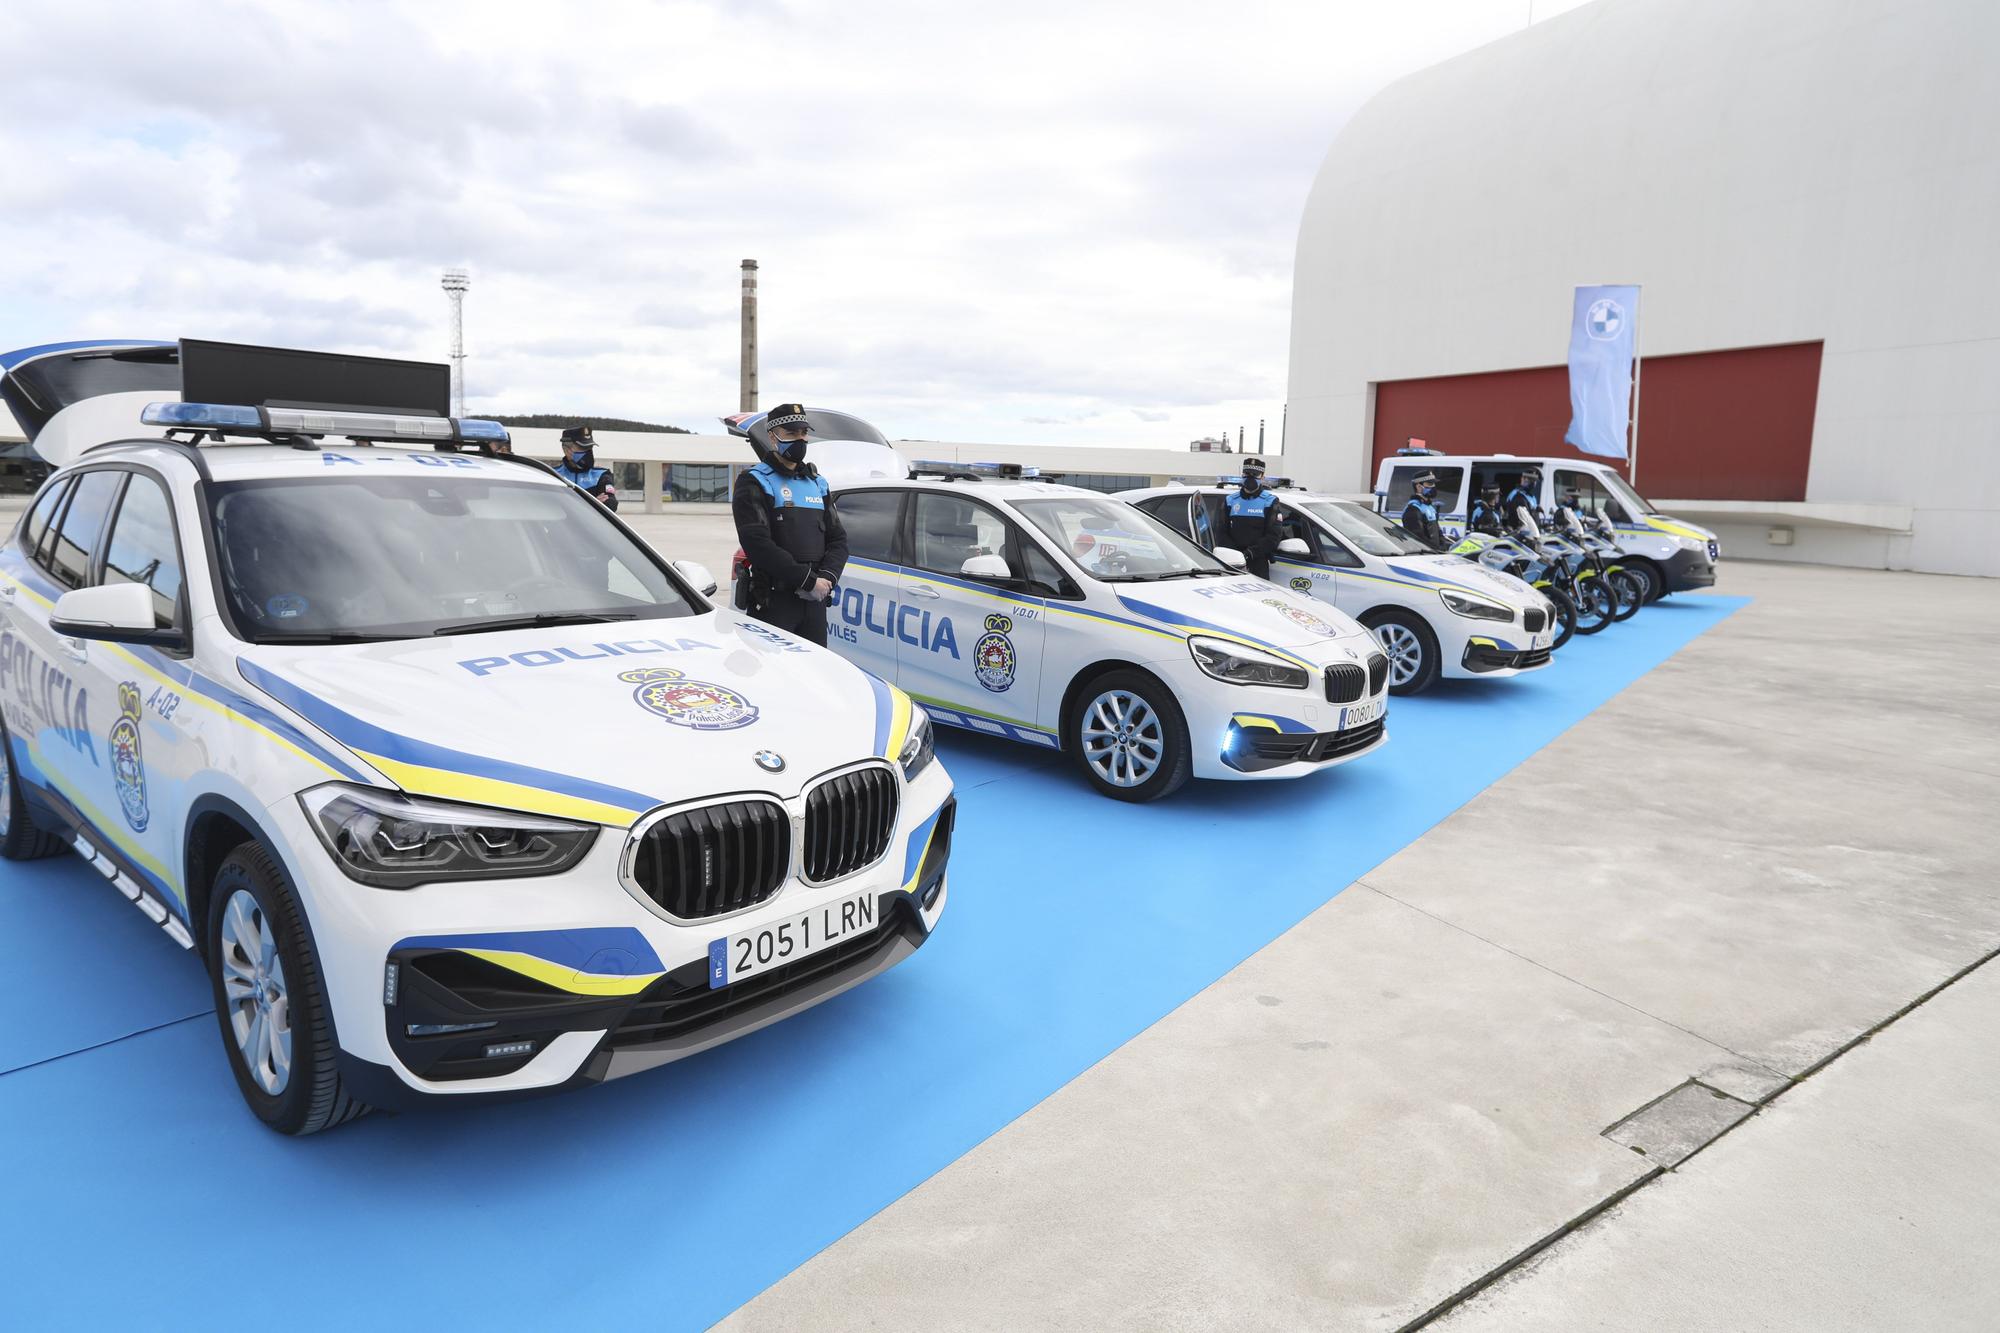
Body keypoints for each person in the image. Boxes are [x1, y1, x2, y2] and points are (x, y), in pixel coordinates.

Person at [732, 403, 849, 646]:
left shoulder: (818, 484)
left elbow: (838, 540)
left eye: (804, 433)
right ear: (773, 437)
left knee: (814, 677)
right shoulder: (754, 481)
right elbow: (757, 544)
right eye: (791, 433)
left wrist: (826, 579)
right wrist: (806, 580)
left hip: (815, 602)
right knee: (773, 678)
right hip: (774, 603)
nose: (800, 439)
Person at [1222, 456, 1286, 578]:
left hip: (1258, 563)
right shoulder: (1230, 501)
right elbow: (1221, 532)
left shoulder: (1270, 502)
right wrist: (1236, 555)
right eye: (1247, 473)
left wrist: (1250, 553)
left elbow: (1273, 536)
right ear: (1242, 474)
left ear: (1262, 476)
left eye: (1255, 474)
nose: (1250, 477)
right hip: (1231, 562)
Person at [553, 425, 618, 510]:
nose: (588, 452)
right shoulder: (553, 475)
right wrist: (592, 503)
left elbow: (610, 504)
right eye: (583, 448)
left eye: (590, 448)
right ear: (567, 450)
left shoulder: (602, 475)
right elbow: (547, 507)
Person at [1399, 471, 1447, 549]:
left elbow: (1438, 532)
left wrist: (1442, 546)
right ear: (1418, 486)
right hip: (1423, 556)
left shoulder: (1429, 507)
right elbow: (1418, 539)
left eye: (1434, 484)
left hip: (1434, 554)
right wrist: (1434, 550)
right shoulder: (1413, 509)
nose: (1433, 487)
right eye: (1430, 484)